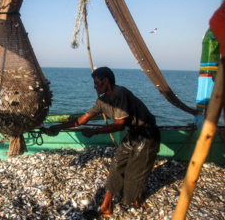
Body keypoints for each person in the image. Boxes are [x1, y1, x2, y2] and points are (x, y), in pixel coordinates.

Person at [45, 67, 160, 217]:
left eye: (96, 82)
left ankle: (134, 201)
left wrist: (94, 132)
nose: (94, 86)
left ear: (106, 81)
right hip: (132, 134)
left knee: (134, 172)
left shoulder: (120, 93)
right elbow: (81, 120)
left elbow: (119, 124)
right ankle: (106, 206)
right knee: (116, 166)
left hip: (147, 134)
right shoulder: (102, 101)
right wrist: (58, 127)